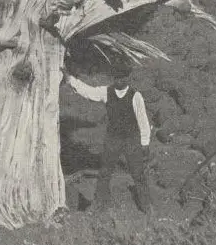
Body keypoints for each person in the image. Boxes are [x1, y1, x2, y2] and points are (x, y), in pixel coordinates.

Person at [64, 64, 153, 212]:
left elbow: (142, 119)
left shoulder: (135, 96)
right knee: (105, 172)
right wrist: (70, 79)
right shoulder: (106, 92)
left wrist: (145, 143)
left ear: (127, 78)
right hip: (113, 139)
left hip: (131, 139)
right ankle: (100, 206)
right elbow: (88, 92)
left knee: (138, 173)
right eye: (116, 78)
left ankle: (146, 207)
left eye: (122, 78)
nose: (119, 81)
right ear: (113, 78)